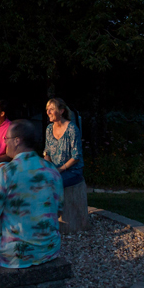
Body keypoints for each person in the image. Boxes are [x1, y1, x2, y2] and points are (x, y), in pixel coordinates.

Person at [0, 120, 63, 268]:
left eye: (6, 139)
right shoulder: (52, 170)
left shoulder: (7, 172)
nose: (5, 142)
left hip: (17, 252)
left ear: (17, 141)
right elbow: (58, 211)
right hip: (49, 248)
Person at [44, 97, 90, 232]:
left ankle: (51, 219)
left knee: (50, 183)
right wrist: (48, 167)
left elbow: (76, 157)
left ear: (61, 111)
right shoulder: (48, 129)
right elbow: (47, 152)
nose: (48, 112)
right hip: (56, 169)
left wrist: (59, 170)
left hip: (72, 171)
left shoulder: (72, 129)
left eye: (51, 109)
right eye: (47, 109)